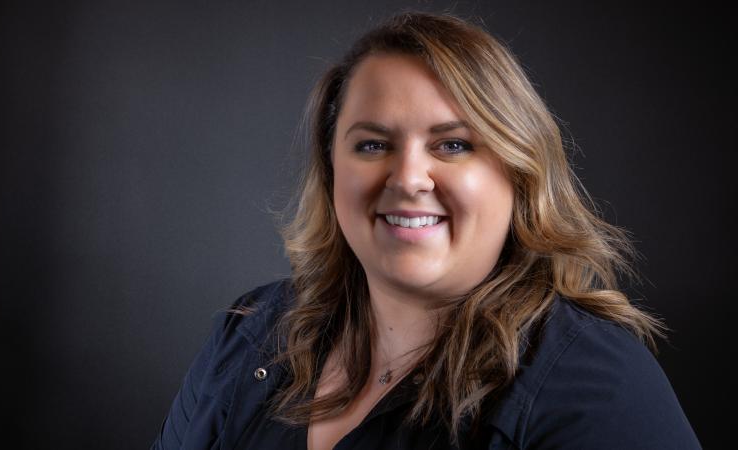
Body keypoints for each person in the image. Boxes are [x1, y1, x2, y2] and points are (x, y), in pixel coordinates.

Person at [151, 11, 701, 450]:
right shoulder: (248, 336)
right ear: (332, 169)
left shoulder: (596, 387)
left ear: (518, 171)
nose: (409, 178)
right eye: (373, 145)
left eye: (453, 144)